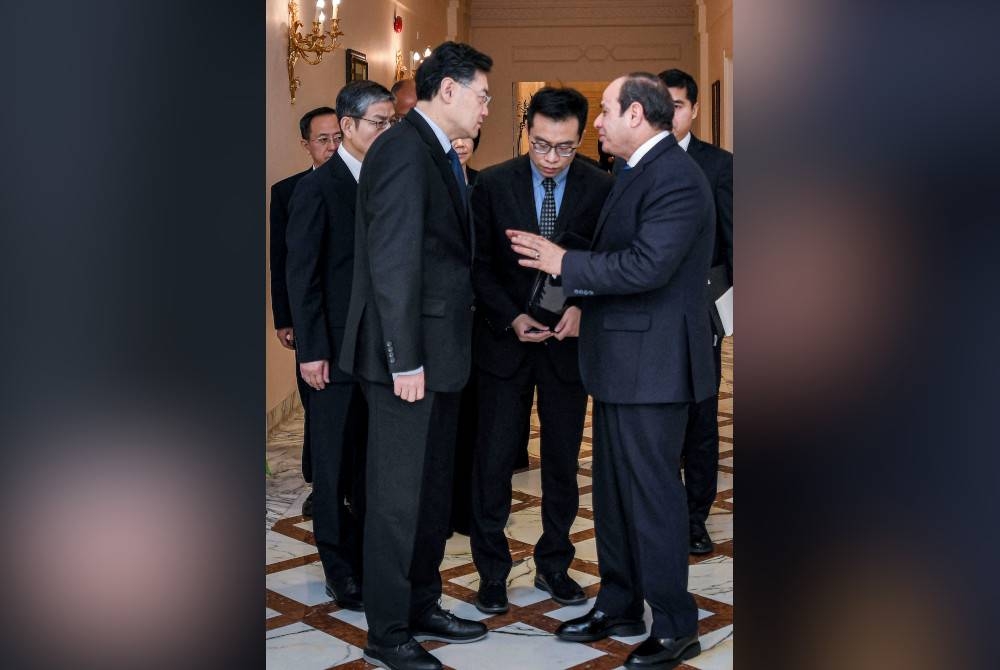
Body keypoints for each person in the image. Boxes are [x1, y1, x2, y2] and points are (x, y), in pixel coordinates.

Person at [507, 72, 715, 669]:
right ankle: (620, 603)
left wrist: (562, 262)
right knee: (617, 493)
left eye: (605, 112)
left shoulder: (675, 177)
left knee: (652, 498)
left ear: (637, 117)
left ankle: (676, 626)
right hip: (623, 362)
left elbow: (647, 265)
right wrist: (576, 295)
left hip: (655, 368)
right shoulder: (637, 171)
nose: (595, 123)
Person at [338, 41, 493, 670]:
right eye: (482, 95)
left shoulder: (438, 152)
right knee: (397, 499)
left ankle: (423, 601)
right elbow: (393, 261)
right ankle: (387, 630)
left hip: (442, 354)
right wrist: (405, 360)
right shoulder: (404, 150)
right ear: (448, 90)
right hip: (408, 361)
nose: (486, 107)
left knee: (431, 492)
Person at [468, 87, 612, 615]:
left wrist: (583, 309)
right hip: (505, 344)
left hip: (567, 346)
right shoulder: (492, 183)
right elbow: (478, 266)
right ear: (528, 132)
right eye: (544, 145)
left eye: (566, 148)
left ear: (582, 138)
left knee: (561, 461)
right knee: (493, 461)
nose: (552, 160)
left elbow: (610, 260)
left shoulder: (600, 185)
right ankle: (491, 571)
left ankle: (555, 563)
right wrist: (512, 316)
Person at [285, 82, 394, 613]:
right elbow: (301, 275)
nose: (387, 130)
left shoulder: (389, 180)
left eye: (391, 121)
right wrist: (311, 350)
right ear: (349, 127)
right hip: (331, 352)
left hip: (381, 353)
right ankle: (338, 568)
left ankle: (371, 557)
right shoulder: (318, 187)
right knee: (330, 465)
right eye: (378, 121)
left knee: (370, 462)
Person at [658, 68, 733, 556]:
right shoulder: (630, 162)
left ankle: (695, 517)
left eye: (679, 107)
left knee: (701, 415)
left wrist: (725, 311)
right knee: (659, 414)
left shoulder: (719, 165)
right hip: (650, 312)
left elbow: (734, 237)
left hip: (703, 306)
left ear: (695, 109)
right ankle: (660, 510)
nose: (671, 116)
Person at [269, 106, 341, 518]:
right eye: (322, 140)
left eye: (337, 138)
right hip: (307, 315)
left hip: (348, 316)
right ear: (306, 145)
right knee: (314, 401)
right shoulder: (287, 191)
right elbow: (282, 261)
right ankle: (318, 481)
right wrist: (285, 317)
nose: (332, 147)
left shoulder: (361, 184)